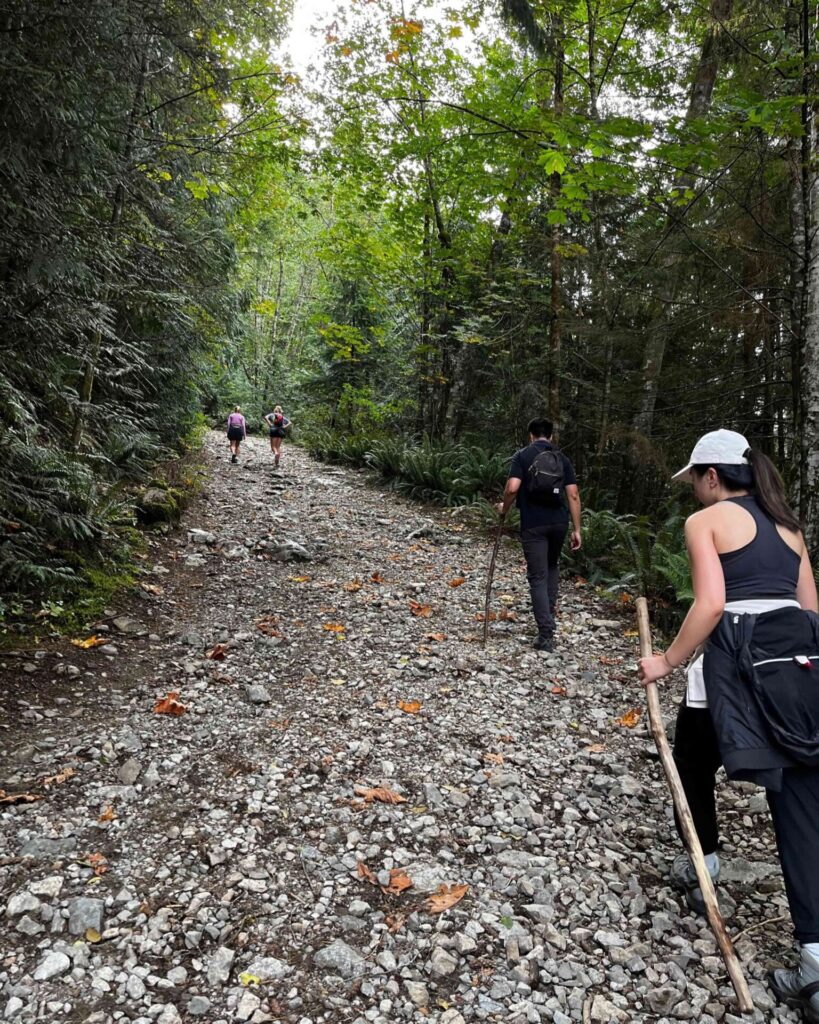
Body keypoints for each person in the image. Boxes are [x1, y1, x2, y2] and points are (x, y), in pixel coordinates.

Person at [637, 428, 819, 1020]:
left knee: (693, 762)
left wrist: (664, 661)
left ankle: (703, 865)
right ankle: (815, 962)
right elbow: (809, 612)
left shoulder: (707, 522)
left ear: (711, 476)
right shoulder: (789, 527)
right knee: (800, 807)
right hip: (797, 675)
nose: (693, 489)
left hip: (734, 673)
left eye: (693, 478)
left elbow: (711, 604)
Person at [495, 417, 582, 651]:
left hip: (533, 524)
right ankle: (548, 621)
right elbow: (573, 495)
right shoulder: (561, 458)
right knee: (552, 567)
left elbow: (512, 487)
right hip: (559, 523)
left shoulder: (522, 455)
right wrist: (577, 529)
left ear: (531, 435)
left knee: (537, 576)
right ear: (551, 436)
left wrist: (505, 507)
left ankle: (546, 634)